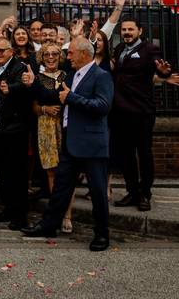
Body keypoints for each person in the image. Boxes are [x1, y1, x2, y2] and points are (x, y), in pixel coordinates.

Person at [22, 37, 114, 252]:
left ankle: (102, 234)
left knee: (98, 191)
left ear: (84, 53)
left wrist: (71, 98)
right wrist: (33, 83)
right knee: (61, 188)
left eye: (71, 53)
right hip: (71, 142)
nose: (67, 57)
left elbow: (103, 106)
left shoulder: (102, 76)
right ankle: (48, 225)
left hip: (92, 143)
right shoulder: (73, 75)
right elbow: (53, 96)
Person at [111, 18, 173, 212]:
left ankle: (145, 193)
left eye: (131, 29)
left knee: (144, 153)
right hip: (120, 111)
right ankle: (132, 192)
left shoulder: (149, 49)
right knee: (125, 155)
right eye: (124, 29)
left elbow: (160, 68)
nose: (127, 32)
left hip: (141, 111)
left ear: (139, 30)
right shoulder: (120, 49)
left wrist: (163, 73)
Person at [0, 37, 30, 230]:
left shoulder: (20, 67)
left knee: (17, 173)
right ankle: (9, 208)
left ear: (11, 51)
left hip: (15, 128)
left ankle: (21, 215)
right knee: (3, 172)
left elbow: (24, 87)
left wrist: (11, 89)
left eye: (3, 50)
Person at [31, 41, 70, 230]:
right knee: (51, 171)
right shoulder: (36, 79)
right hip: (45, 126)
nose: (51, 57)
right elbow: (33, 106)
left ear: (60, 56)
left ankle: (67, 215)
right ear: (42, 57)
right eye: (47, 55)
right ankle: (56, 214)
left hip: (65, 126)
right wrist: (45, 108)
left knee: (66, 171)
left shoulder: (67, 76)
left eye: (55, 54)